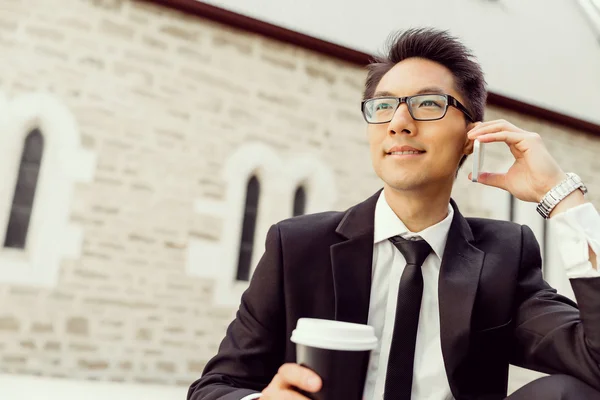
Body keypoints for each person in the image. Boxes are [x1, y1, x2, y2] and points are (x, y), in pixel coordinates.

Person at [188, 28, 600, 400]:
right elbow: (213, 389)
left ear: (472, 136)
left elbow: (594, 363)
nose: (399, 122)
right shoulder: (297, 246)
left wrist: (562, 196)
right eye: (382, 106)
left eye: (428, 103)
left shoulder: (503, 256)